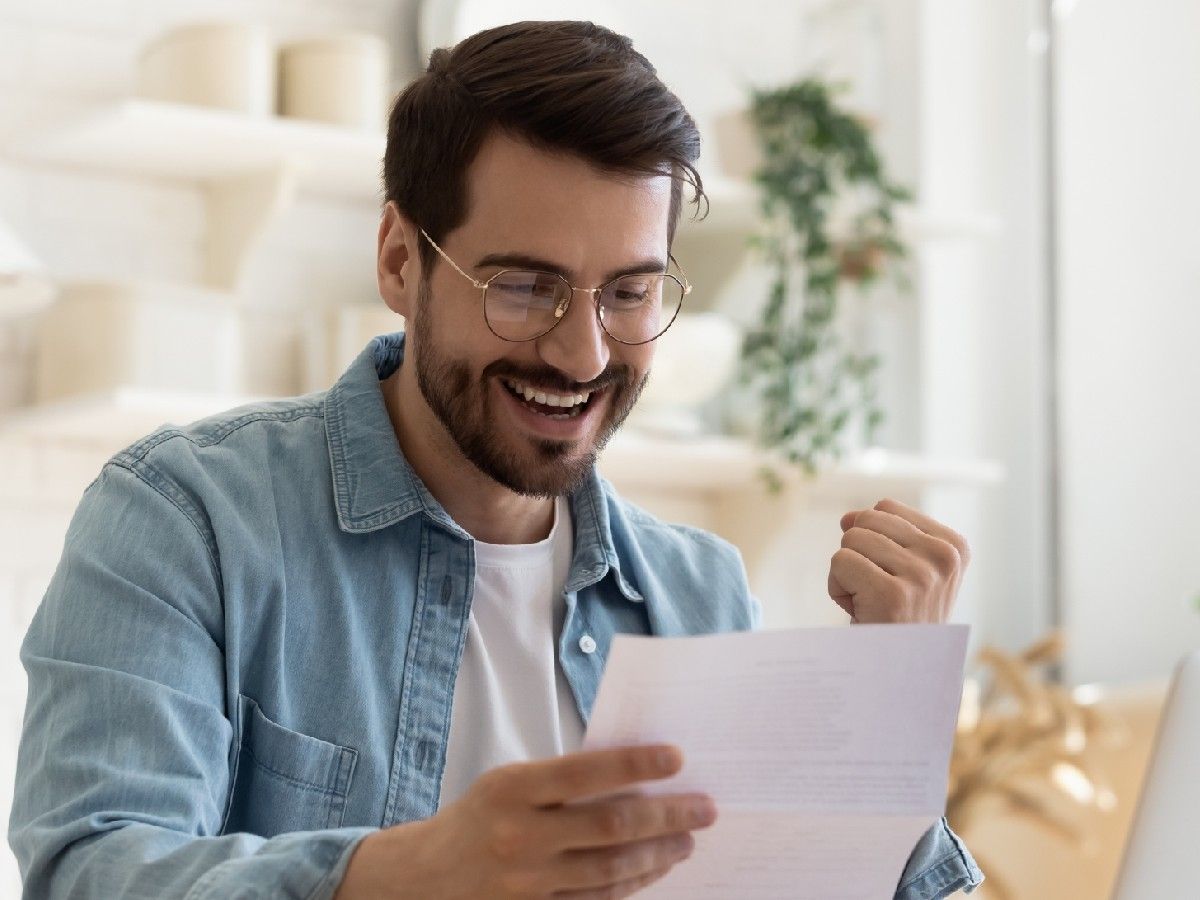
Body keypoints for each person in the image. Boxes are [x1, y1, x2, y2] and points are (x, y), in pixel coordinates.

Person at [7, 20, 984, 900]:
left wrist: (882, 720)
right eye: (525, 287)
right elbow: (90, 872)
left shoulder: (698, 594)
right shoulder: (186, 521)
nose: (583, 354)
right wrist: (415, 873)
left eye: (629, 295)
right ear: (399, 260)